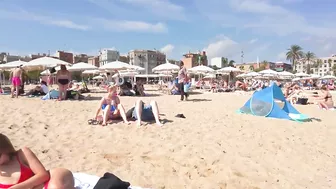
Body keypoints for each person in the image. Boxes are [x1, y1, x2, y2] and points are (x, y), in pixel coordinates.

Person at [0, 133, 75, 189]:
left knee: (59, 174)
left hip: (45, 185)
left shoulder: (22, 154)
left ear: (5, 149)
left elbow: (43, 175)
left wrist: (19, 187)